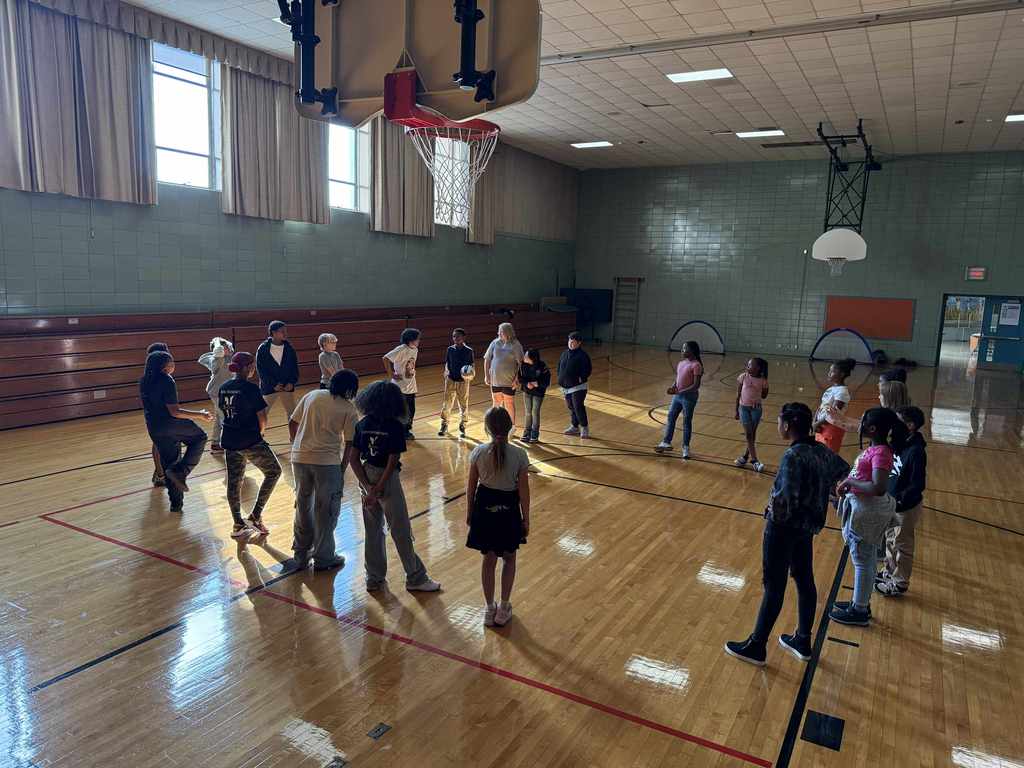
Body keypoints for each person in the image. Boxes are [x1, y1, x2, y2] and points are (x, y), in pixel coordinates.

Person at [724, 403, 850, 666]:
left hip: (783, 530)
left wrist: (771, 511)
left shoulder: (793, 456)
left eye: (779, 421)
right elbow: (845, 471)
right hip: (807, 528)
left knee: (774, 586)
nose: (777, 426)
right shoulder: (821, 450)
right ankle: (803, 639)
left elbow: (785, 500)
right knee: (805, 579)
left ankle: (757, 645)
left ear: (789, 424)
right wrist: (828, 492)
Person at [346, 380, 441, 593]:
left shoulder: (362, 425)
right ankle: (415, 577)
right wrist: (379, 487)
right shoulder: (395, 426)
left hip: (366, 475)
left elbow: (353, 458)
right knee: (400, 529)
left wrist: (367, 487)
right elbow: (392, 460)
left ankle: (374, 578)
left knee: (372, 531)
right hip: (385, 480)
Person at [830, 407, 906, 626]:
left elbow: (878, 487)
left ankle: (859, 610)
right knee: (867, 557)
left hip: (867, 512)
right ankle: (859, 601)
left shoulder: (881, 452)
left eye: (862, 420)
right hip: (862, 506)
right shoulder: (876, 448)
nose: (859, 424)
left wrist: (850, 482)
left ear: (872, 429)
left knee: (863, 560)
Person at [286, 369, 362, 571]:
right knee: (326, 511)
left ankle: (301, 554)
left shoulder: (312, 395)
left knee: (303, 506)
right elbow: (350, 443)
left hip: (299, 459)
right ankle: (324, 557)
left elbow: (292, 422)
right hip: (326, 464)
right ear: (350, 389)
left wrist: (297, 445)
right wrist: (342, 469)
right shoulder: (348, 409)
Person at [466, 407, 531, 627]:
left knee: (488, 559)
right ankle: (504, 607)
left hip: (484, 508)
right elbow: (524, 491)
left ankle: (488, 608)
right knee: (509, 558)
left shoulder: (478, 452)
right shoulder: (520, 456)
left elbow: (471, 487)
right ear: (510, 427)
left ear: (486, 429)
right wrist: (526, 519)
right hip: (508, 510)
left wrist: (469, 513)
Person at [218, 351, 281, 540]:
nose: (254, 369)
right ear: (247, 368)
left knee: (234, 481)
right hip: (249, 439)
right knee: (274, 472)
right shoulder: (250, 388)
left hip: (229, 439)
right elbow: (262, 416)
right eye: (252, 365)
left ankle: (238, 524)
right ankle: (255, 516)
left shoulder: (224, 387)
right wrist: (261, 433)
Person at [139, 351, 211, 512]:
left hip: (154, 427)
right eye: (172, 362)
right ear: (165, 366)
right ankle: (182, 470)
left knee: (169, 464)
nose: (174, 364)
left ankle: (176, 504)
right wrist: (200, 415)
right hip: (171, 424)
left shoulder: (144, 380)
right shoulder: (167, 380)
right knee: (200, 438)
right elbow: (175, 412)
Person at [876, 406, 928, 597]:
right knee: (890, 539)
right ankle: (889, 571)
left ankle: (900, 582)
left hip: (905, 507)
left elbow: (917, 484)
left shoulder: (916, 452)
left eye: (897, 421)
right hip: (892, 503)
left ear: (910, 425)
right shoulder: (899, 444)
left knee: (902, 544)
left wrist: (900, 501)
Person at [655, 340, 703, 458]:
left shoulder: (696, 365)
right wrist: (673, 386)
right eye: (682, 348)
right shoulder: (681, 363)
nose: (682, 350)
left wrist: (681, 391)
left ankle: (686, 447)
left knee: (687, 421)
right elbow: (678, 379)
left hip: (689, 398)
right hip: (678, 396)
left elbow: (696, 385)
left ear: (692, 351)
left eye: (685, 348)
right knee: (671, 417)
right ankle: (666, 442)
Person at [256, 321, 301, 441]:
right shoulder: (263, 349)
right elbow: (261, 370)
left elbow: (294, 368)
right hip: (270, 388)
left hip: (287, 387)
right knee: (262, 413)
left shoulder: (289, 348)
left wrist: (291, 382)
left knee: (293, 414)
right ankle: (258, 437)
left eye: (286, 331)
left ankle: (294, 438)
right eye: (282, 331)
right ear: (273, 333)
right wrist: (273, 384)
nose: (285, 333)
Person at [483, 322, 524, 437]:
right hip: (495, 379)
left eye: (501, 332)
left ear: (508, 333)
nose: (498, 333)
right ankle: (494, 426)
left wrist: (517, 378)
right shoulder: (495, 343)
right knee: (496, 403)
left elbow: (521, 363)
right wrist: (487, 375)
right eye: (498, 331)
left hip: (509, 380)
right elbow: (487, 359)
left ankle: (512, 426)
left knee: (509, 403)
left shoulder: (515, 345)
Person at [383, 328, 420, 440]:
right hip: (400, 386)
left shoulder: (415, 349)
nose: (419, 340)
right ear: (411, 339)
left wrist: (412, 371)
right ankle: (400, 431)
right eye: (417, 338)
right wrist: (391, 374)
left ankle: (406, 430)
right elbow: (385, 358)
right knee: (401, 410)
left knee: (411, 410)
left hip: (411, 385)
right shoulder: (401, 349)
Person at [813, 357, 856, 453]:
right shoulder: (831, 389)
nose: (829, 373)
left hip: (831, 428)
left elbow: (833, 414)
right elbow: (821, 407)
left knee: (829, 457)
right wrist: (814, 421)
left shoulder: (842, 392)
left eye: (832, 371)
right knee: (819, 455)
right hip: (821, 426)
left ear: (841, 374)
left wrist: (818, 423)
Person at [198, 336, 234, 453]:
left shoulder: (230, 358)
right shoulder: (215, 359)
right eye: (224, 348)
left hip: (227, 392)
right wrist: (216, 341)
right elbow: (218, 354)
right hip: (217, 392)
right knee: (226, 418)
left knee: (220, 417)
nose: (227, 349)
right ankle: (230, 444)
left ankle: (215, 443)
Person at [734, 357, 769, 472]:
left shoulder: (763, 380)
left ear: (758, 368)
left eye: (750, 365)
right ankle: (754, 460)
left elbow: (764, 396)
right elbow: (738, 394)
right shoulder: (743, 377)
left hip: (756, 410)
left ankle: (745, 457)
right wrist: (736, 410)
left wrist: (762, 388)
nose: (747, 367)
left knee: (751, 434)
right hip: (743, 409)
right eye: (747, 365)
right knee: (749, 434)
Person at [439, 327, 474, 437]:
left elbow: (472, 366)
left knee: (463, 404)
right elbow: (447, 363)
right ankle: (444, 424)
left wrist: (470, 376)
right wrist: (446, 372)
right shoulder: (450, 349)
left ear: (463, 338)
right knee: (447, 404)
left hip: (463, 382)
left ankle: (463, 425)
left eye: (458, 336)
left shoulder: (469, 351)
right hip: (450, 380)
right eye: (454, 336)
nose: (455, 338)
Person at [558, 331, 593, 439]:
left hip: (578, 387)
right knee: (571, 406)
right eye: (569, 341)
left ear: (579, 343)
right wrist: (561, 378)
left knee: (578, 406)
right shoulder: (564, 353)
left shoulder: (583, 356)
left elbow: (587, 370)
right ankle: (574, 426)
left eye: (573, 342)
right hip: (566, 386)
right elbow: (559, 366)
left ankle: (584, 427)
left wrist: (579, 379)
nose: (570, 344)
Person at [145, 342, 169, 487]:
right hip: (159, 417)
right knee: (159, 445)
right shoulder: (159, 379)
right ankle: (160, 475)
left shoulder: (153, 375)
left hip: (156, 416)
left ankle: (159, 472)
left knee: (161, 445)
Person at [519, 348, 551, 444]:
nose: (524, 357)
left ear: (532, 358)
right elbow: (520, 377)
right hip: (527, 392)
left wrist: (538, 383)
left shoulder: (542, 366)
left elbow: (547, 381)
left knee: (535, 412)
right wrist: (526, 383)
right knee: (528, 412)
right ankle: (526, 433)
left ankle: (534, 434)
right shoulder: (523, 365)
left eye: (526, 356)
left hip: (538, 393)